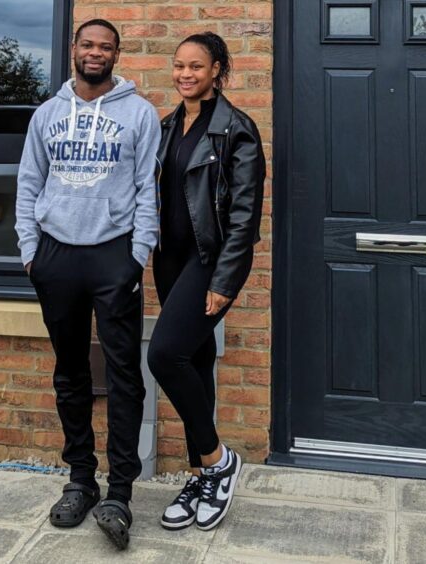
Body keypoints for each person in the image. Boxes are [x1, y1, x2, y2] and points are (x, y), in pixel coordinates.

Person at [15, 18, 160, 550]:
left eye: (106, 47)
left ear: (117, 55)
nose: (96, 53)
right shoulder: (47, 114)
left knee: (124, 372)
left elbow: (148, 186)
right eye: (88, 44)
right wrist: (31, 251)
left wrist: (137, 254)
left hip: (113, 255)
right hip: (55, 255)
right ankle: (80, 479)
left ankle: (119, 492)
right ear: (74, 50)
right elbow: (29, 180)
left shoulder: (139, 114)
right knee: (70, 371)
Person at [147, 32, 266, 531]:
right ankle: (201, 476)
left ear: (218, 69)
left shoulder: (236, 130)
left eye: (196, 66)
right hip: (169, 260)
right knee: (195, 362)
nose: (185, 75)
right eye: (179, 66)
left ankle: (219, 461)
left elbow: (244, 217)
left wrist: (226, 279)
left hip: (207, 262)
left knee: (163, 354)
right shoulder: (168, 125)